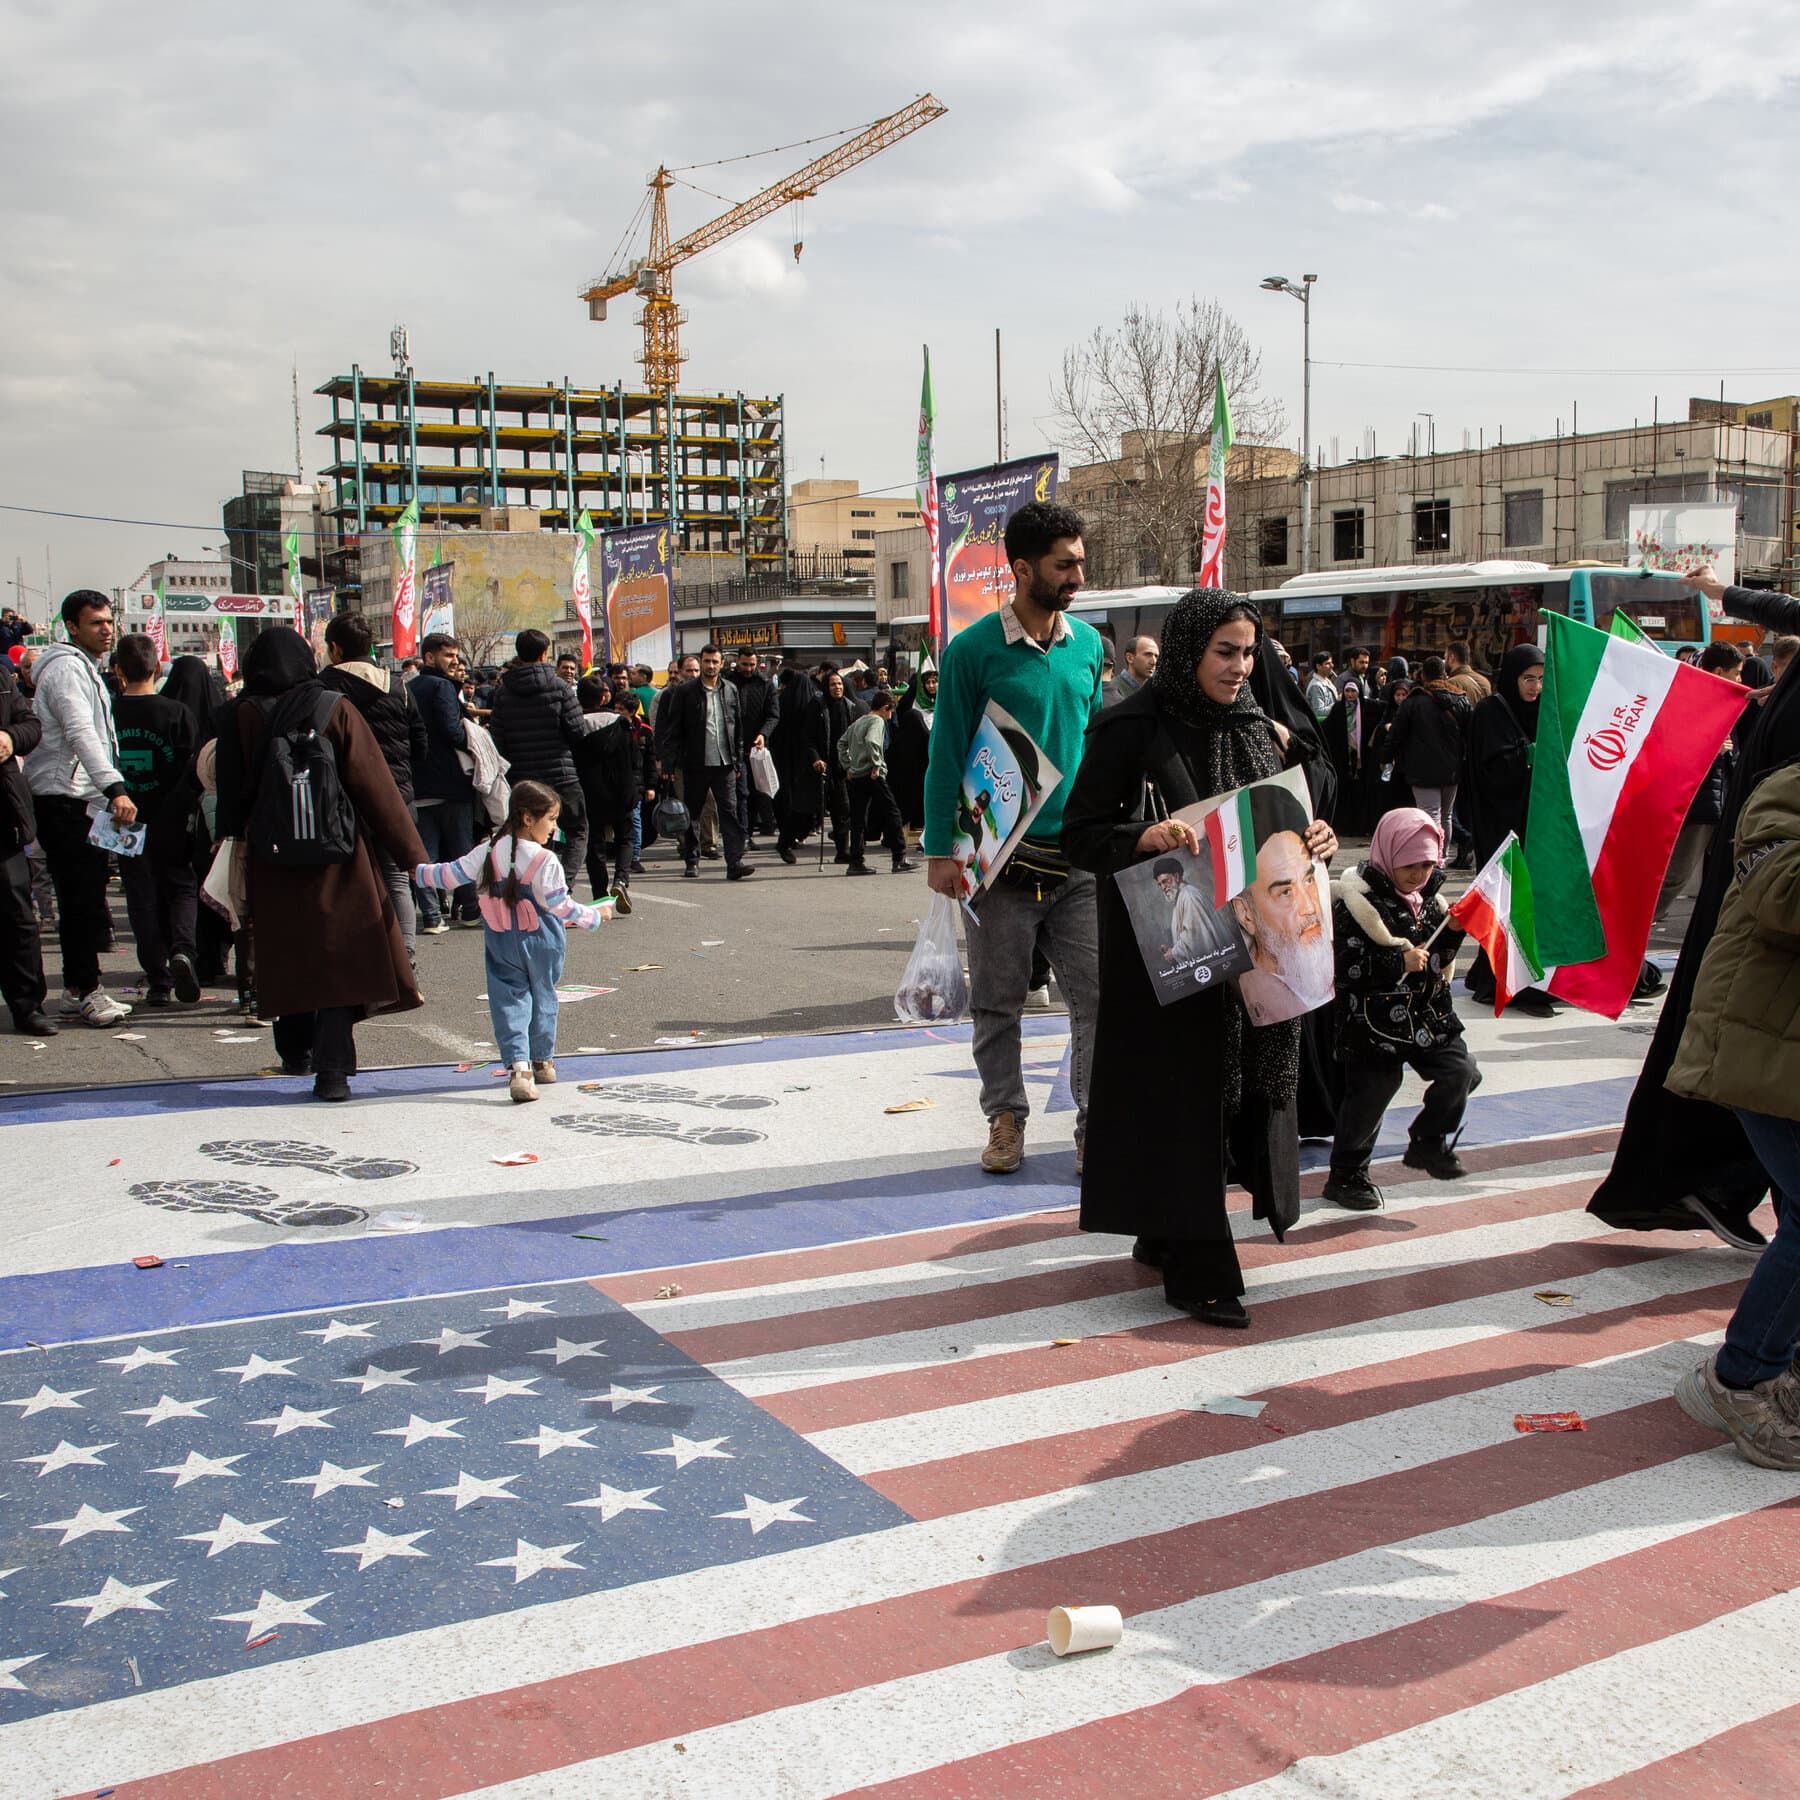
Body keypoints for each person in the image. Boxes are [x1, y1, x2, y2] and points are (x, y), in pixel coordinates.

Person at [1062, 586, 1339, 1327]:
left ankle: (1165, 1227)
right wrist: (1141, 839)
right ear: (1188, 650)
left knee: (1232, 1093)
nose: (1242, 666)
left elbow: (1296, 808)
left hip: (1254, 950)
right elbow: (1080, 833)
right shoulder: (1132, 726)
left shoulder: (1261, 727)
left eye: (1250, 652)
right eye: (1226, 651)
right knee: (1182, 1093)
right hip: (1173, 946)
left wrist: (1316, 836)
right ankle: (1197, 1264)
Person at [1592, 568, 1800, 1249]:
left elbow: (1780, 606)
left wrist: (1720, 592)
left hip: (1755, 892)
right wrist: (1720, 593)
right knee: (1751, 1041)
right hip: (1769, 899)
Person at [923, 500, 1104, 1176]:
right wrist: (941, 851)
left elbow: (1092, 740)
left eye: (1081, 562)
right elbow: (946, 753)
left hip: (1078, 860)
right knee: (998, 1003)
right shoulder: (972, 651)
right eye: (1065, 564)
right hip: (998, 863)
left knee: (1097, 998)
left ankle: (1096, 1123)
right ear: (1023, 568)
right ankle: (1005, 1119)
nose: (1078, 575)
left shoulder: (1089, 645)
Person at [212, 628, 425, 1102]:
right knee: (340, 960)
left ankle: (294, 1053)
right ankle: (333, 1071)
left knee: (289, 955)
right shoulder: (332, 707)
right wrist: (415, 859)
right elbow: (377, 789)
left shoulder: (240, 714)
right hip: (338, 855)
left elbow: (229, 798)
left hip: (273, 859)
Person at [1665, 751, 1800, 1466]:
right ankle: (1741, 1378)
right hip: (1764, 1048)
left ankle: (1777, 1366)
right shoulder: (1786, 792)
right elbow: (1783, 894)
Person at [415, 777, 607, 1104]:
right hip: (543, 941)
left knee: (509, 1001)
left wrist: (416, 871)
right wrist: (594, 916)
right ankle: (543, 1061)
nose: (554, 828)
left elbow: (448, 875)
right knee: (544, 997)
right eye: (551, 819)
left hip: (501, 939)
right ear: (528, 818)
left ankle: (520, 1068)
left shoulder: (488, 850)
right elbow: (560, 905)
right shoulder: (545, 860)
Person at [1325, 808, 1479, 1210]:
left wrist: (1455, 934)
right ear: (1389, 855)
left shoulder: (1431, 901)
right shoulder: (1357, 903)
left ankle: (1428, 1140)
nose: (1419, 874)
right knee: (1372, 1093)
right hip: (1372, 1022)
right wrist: (1397, 961)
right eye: (1410, 864)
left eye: (1428, 864)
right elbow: (1344, 967)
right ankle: (1347, 1174)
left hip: (1427, 1014)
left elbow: (1436, 956)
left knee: (1461, 1071)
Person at [22, 590, 137, 1026]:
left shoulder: (82, 667)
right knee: (81, 898)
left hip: (83, 798)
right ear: (72, 626)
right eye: (96, 623)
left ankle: (78, 988)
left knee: (85, 898)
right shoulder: (68, 669)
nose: (107, 630)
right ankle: (85, 990)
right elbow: (79, 732)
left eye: (109, 621)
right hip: (65, 798)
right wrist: (114, 787)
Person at [318, 612, 427, 964]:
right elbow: (420, 742)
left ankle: (358, 956)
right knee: (397, 878)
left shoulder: (324, 689)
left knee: (347, 881)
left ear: (335, 648)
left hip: (344, 801)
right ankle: (405, 954)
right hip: (397, 796)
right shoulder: (398, 686)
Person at [1462, 644, 1555, 1016]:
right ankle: (1500, 980)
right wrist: (1526, 756)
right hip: (1499, 825)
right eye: (1528, 679)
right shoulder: (1490, 712)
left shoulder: (1541, 711)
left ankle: (1498, 972)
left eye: (1541, 679)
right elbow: (1490, 773)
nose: (1535, 687)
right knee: (1507, 900)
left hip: (1534, 824)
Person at [110, 632, 200, 1007]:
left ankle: (158, 978)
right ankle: (183, 950)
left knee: (141, 897)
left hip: (124, 819)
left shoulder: (109, 712)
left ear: (118, 670)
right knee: (181, 887)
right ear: (157, 667)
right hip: (172, 818)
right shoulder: (177, 713)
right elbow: (193, 768)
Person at [487, 628, 590, 898]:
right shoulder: (560, 688)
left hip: (522, 778)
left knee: (528, 834)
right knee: (577, 829)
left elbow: (496, 738)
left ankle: (530, 888)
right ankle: (561, 887)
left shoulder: (503, 692)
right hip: (561, 773)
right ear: (545, 654)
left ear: (518, 654)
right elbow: (577, 731)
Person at [1653, 640, 1744, 925]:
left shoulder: (1725, 701)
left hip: (1719, 800)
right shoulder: (1691, 700)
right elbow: (1669, 749)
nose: (1740, 680)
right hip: (1698, 802)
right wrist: (1710, 748)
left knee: (1724, 873)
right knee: (1675, 876)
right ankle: (1638, 925)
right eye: (1737, 673)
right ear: (1719, 671)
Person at [1232, 784, 1336, 1027]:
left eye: (1309, 880)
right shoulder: (1257, 996)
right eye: (1285, 892)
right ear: (1245, 914)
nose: (1309, 906)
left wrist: (1323, 843)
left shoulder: (1316, 974)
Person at [658, 642, 754, 881]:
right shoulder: (685, 692)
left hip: (725, 764)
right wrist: (668, 763)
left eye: (715, 662)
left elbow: (737, 728)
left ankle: (734, 862)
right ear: (700, 662)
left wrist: (738, 761)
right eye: (707, 661)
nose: (711, 666)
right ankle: (692, 859)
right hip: (695, 763)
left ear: (722, 664)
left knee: (729, 813)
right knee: (693, 814)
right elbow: (673, 730)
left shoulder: (730, 690)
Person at [410, 632, 481, 934]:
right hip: (450, 782)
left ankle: (431, 915)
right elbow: (453, 732)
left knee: (425, 853)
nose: (454, 662)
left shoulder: (409, 687)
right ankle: (469, 909)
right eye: (448, 656)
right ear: (429, 657)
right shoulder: (442, 687)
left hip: (419, 783)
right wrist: (476, 739)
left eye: (455, 656)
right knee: (461, 850)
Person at [0, 653, 52, 1035]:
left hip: (3, 818)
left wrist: (9, 738)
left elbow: (31, 725)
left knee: (18, 916)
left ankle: (28, 1005)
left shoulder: (1, 677)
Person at [1383, 653, 1469, 847]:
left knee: (1429, 815)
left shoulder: (1413, 702)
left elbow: (1395, 734)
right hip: (1452, 769)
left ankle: (1433, 857)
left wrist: (1386, 757)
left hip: (1422, 769)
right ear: (1444, 674)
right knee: (1445, 815)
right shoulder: (1460, 699)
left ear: (1423, 676)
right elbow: (1471, 733)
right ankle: (1442, 856)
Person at [573, 674, 638, 908]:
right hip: (620, 790)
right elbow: (632, 759)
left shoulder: (574, 725)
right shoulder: (620, 722)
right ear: (603, 697)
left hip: (589, 793)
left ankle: (600, 895)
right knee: (625, 837)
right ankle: (621, 879)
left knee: (595, 844)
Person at [837, 688, 915, 876]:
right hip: (873, 775)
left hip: (856, 776)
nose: (890, 717)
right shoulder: (876, 721)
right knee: (893, 812)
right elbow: (873, 741)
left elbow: (841, 743)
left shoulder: (859, 721)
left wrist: (848, 766)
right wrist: (877, 764)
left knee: (858, 820)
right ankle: (899, 858)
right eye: (890, 712)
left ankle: (856, 861)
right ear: (885, 707)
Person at [768, 664, 829, 863]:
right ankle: (801, 832)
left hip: (783, 757)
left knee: (787, 795)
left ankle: (786, 833)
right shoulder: (813, 704)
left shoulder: (781, 702)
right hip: (806, 759)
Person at [727, 648, 781, 840]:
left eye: (752, 665)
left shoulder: (765, 683)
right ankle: (743, 836)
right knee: (741, 793)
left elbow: (773, 715)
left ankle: (750, 832)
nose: (749, 668)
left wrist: (763, 734)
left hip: (756, 747)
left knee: (758, 791)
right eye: (744, 664)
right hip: (732, 746)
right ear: (737, 662)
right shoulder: (727, 681)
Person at [888, 665, 937, 830]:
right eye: (928, 682)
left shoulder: (942, 703)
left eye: (934, 682)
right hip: (915, 762)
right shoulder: (911, 707)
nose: (931, 686)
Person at [820, 667, 855, 861]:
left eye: (840, 683)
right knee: (806, 811)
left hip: (843, 766)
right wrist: (816, 758)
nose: (837, 687)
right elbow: (809, 738)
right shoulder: (818, 706)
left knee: (842, 809)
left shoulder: (849, 707)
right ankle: (785, 842)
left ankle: (843, 851)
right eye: (833, 684)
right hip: (823, 764)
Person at [1444, 640, 1491, 704]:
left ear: (1452, 658)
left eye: (1445, 657)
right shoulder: (1485, 681)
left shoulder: (1452, 683)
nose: (1444, 661)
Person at [1303, 652, 1338, 722]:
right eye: (1327, 663)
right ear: (1318, 666)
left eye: (1331, 662)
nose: (1332, 665)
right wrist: (1338, 705)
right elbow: (1318, 711)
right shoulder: (1316, 686)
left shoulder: (1327, 680)